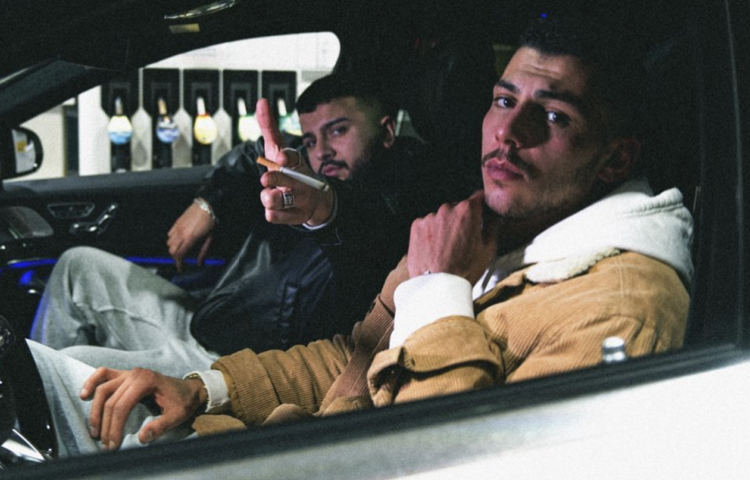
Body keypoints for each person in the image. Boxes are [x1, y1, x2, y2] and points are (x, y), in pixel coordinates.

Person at [29, 14, 693, 457]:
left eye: (553, 116)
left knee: (48, 390)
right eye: (503, 100)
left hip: (327, 458)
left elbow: (452, 457)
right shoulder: (496, 225)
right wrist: (205, 390)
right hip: (299, 434)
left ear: (614, 160)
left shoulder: (618, 309)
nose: (508, 133)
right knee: (62, 379)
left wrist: (438, 293)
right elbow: (355, 354)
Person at [29, 72, 470, 378]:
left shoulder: (407, 196)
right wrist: (208, 203)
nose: (321, 151)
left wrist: (324, 208)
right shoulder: (303, 169)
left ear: (387, 132)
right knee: (76, 265)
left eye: (338, 131)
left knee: (59, 369)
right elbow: (250, 153)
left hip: (240, 364)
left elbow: (366, 227)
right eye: (311, 139)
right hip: (210, 321)